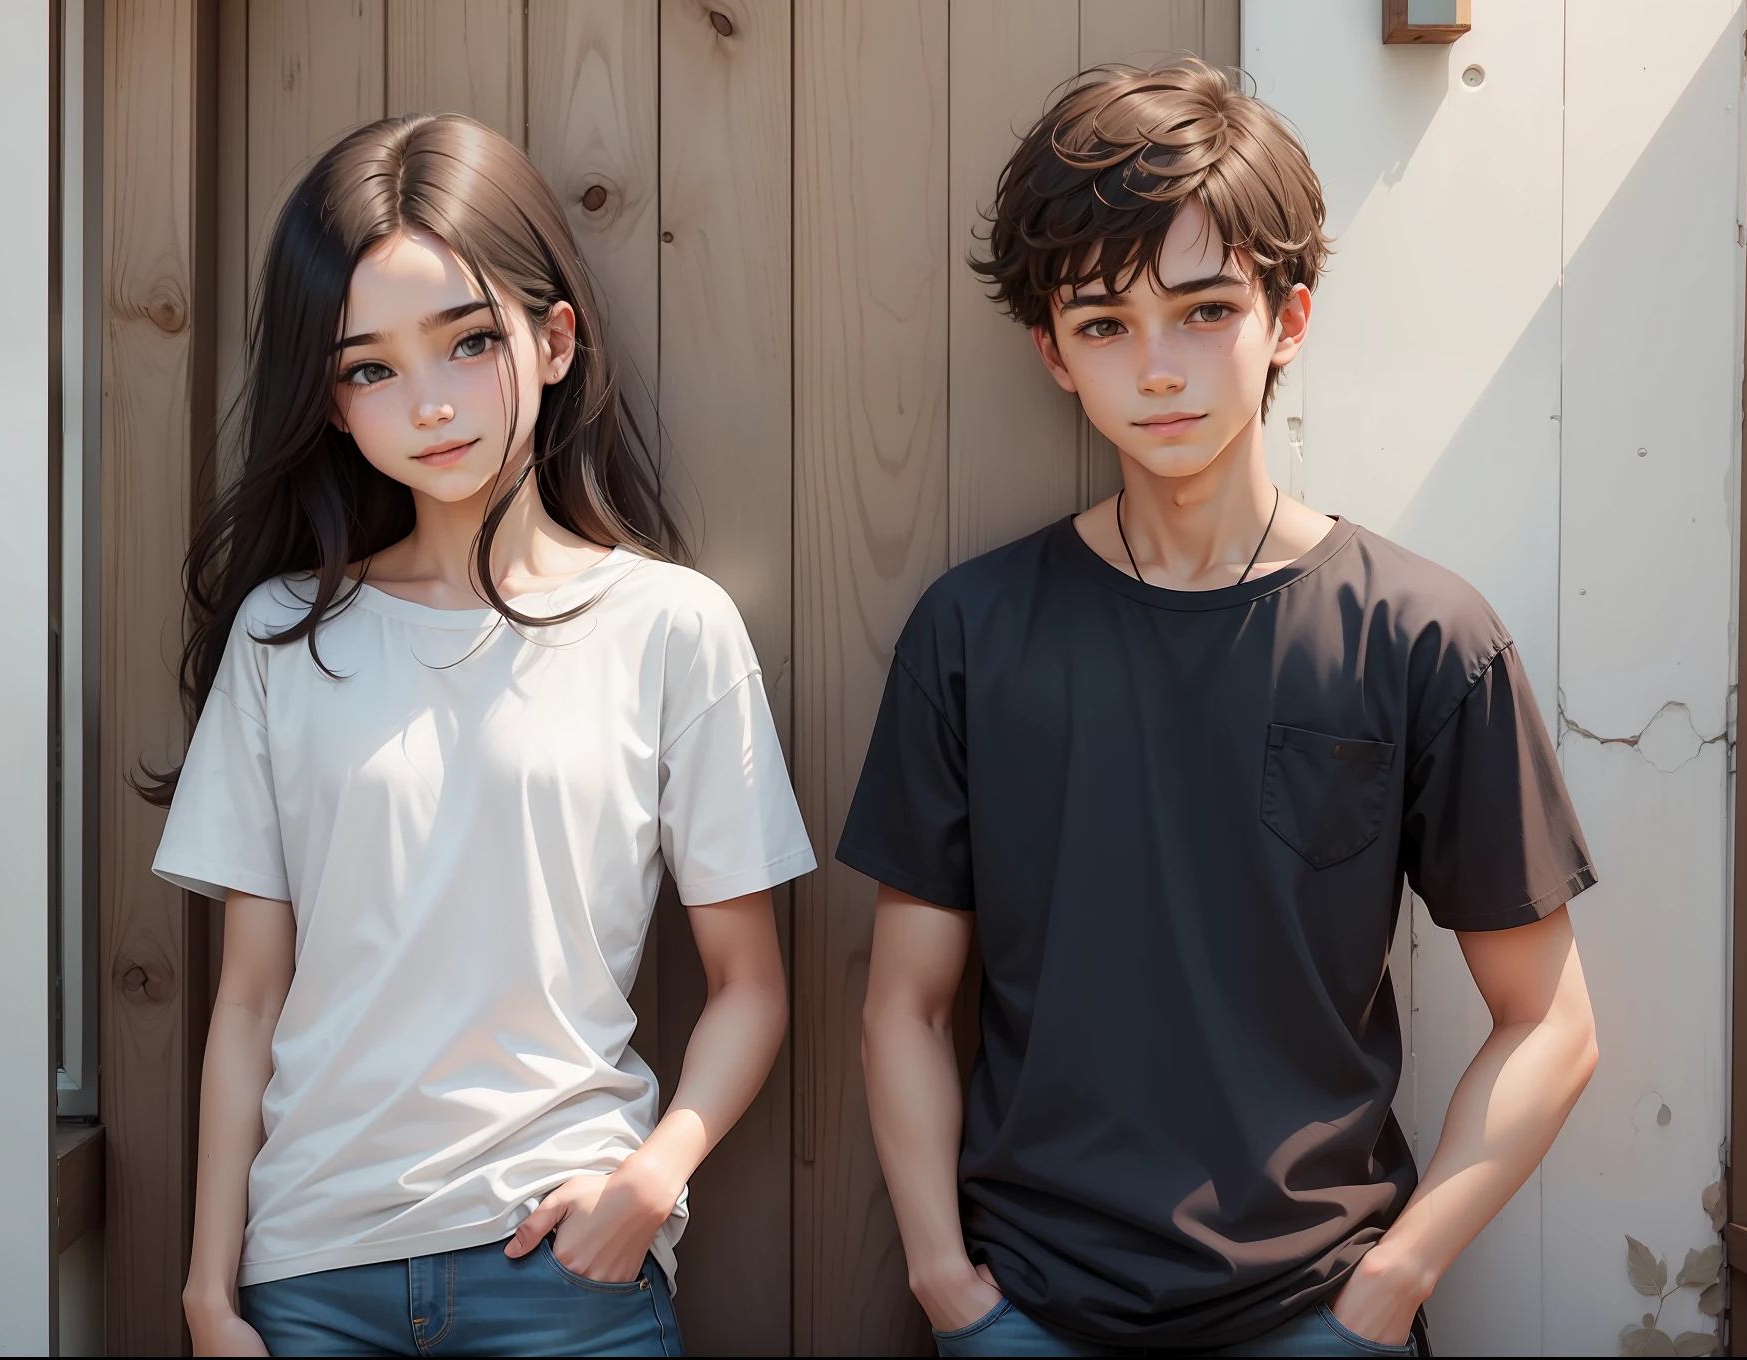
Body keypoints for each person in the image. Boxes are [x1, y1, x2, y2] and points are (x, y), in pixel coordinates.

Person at [846, 62, 1600, 1358]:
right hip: (1029, 1308)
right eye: (1104, 326)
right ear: (1052, 353)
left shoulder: (1424, 637)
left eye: (1204, 311)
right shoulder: (971, 636)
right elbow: (904, 1003)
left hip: (1318, 1307)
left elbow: (1551, 1022)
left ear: (1288, 318)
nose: (1160, 371)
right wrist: (946, 1287)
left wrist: (1393, 1287)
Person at [151, 113, 814, 1358]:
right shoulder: (283, 636)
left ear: (552, 338)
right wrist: (207, 1290)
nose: (430, 404)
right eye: (369, 368)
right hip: (309, 1275)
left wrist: (648, 1183)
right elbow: (247, 1000)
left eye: (466, 342)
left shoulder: (670, 626)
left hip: (564, 1269)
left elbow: (749, 985)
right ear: (332, 406)